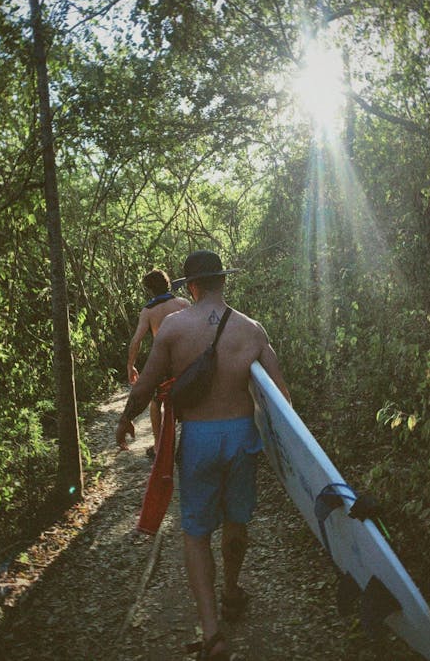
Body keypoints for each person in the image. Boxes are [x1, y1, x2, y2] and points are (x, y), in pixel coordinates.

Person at [117, 250, 291, 661]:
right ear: (222, 282)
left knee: (196, 534)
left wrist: (126, 419)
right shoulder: (252, 329)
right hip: (241, 435)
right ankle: (232, 591)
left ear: (191, 286)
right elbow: (282, 397)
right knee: (236, 520)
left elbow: (146, 387)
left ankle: (212, 632)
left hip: (198, 439)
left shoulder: (175, 328)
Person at [127, 268, 190, 458]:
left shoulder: (148, 311)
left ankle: (157, 445)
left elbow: (136, 340)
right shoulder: (183, 303)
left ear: (150, 290)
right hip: (185, 358)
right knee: (189, 398)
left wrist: (130, 365)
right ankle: (187, 444)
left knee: (156, 402)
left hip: (163, 361)